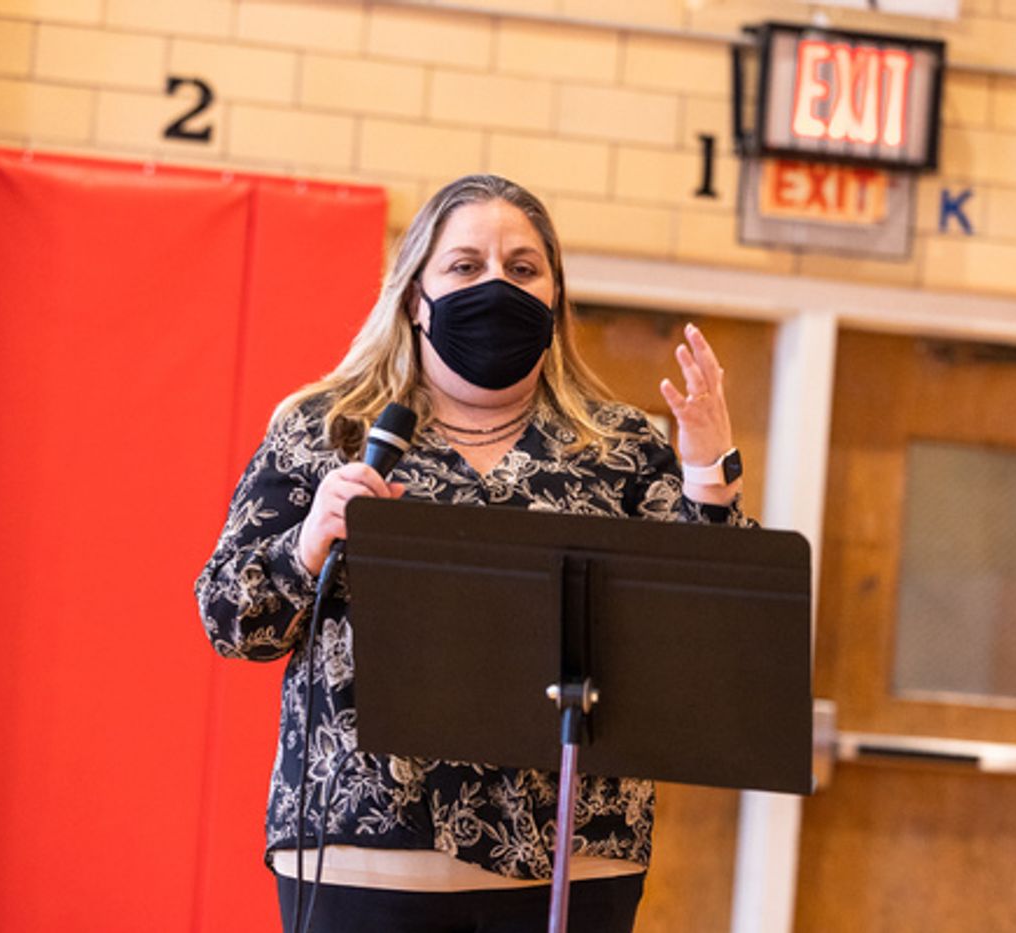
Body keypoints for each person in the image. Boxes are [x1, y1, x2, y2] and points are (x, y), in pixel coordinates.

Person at [195, 174, 755, 933]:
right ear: (415, 296)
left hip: (573, 855)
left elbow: (716, 639)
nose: (497, 285)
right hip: (365, 848)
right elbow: (231, 618)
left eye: (523, 269)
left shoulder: (623, 448)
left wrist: (708, 477)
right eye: (465, 266)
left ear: (555, 299)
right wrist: (307, 545)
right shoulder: (326, 430)